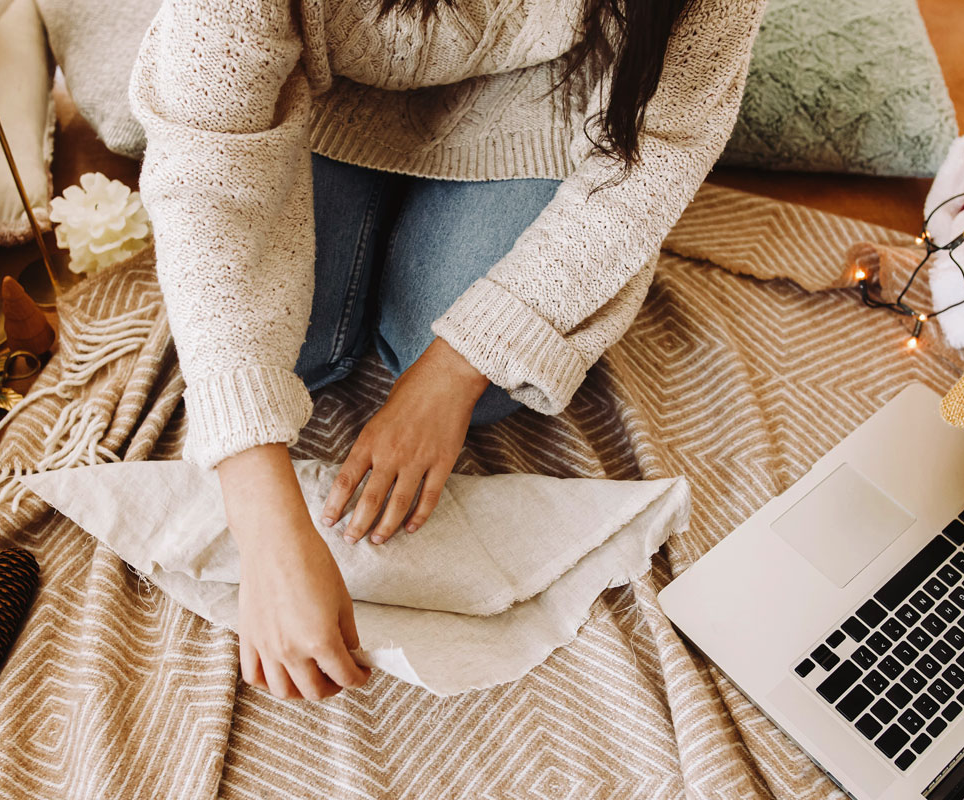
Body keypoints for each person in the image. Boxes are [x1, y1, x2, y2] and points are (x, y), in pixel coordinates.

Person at [129, 0, 765, 701]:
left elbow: (658, 151)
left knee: (494, 386)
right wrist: (268, 535)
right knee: (285, 355)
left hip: (539, 99)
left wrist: (456, 367)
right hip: (317, 93)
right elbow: (205, 171)